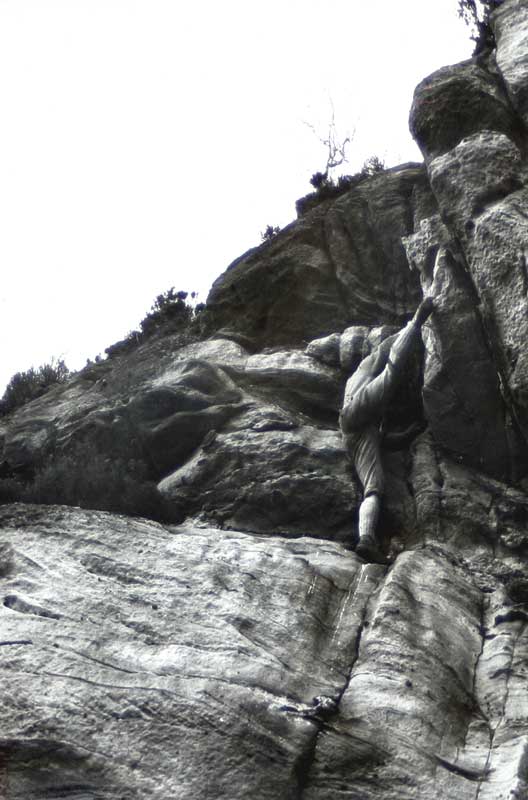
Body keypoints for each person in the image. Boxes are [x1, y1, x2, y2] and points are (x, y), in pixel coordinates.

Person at [339, 296, 434, 563]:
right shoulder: (365, 368)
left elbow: (382, 440)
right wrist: (413, 327)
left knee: (374, 488)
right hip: (355, 415)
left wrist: (409, 434)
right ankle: (418, 318)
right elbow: (386, 349)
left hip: (355, 432)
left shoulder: (360, 382)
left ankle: (366, 540)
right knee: (390, 377)